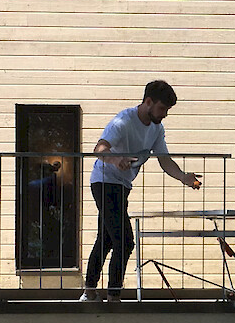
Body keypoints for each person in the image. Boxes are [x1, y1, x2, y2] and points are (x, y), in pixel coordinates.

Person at [83, 80, 201, 302]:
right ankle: (113, 296)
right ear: (148, 102)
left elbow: (164, 160)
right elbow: (99, 149)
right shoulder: (123, 121)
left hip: (123, 185)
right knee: (125, 241)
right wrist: (117, 160)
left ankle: (89, 290)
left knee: (107, 238)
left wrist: (183, 177)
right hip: (104, 181)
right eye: (162, 109)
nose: (164, 115)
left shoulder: (157, 129)